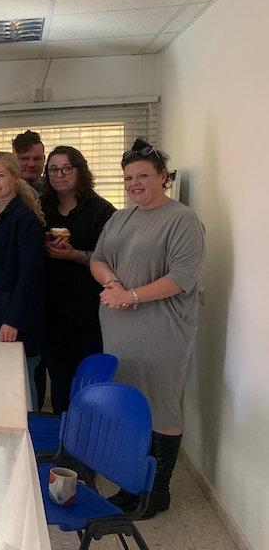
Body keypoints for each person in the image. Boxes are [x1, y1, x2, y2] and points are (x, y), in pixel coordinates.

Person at [91, 139, 205, 520]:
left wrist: (131, 296)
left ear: (163, 176)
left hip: (161, 330)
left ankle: (157, 492)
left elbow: (182, 277)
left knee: (160, 406)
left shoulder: (182, 219)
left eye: (142, 175)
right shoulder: (120, 218)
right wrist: (111, 283)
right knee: (129, 407)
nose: (134, 183)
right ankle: (131, 485)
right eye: (128, 178)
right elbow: (98, 258)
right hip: (119, 330)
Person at [40, 146, 115, 414]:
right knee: (59, 384)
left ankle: (88, 435)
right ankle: (63, 436)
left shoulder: (101, 210)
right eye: (53, 170)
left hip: (88, 314)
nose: (59, 175)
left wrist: (74, 255)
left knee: (88, 385)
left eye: (66, 168)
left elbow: (113, 259)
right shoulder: (42, 208)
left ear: (80, 171)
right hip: (51, 312)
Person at [0, 151, 46, 412]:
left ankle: (30, 432)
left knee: (21, 382)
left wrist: (12, 320)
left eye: (0, 175)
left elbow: (30, 276)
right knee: (2, 381)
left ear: (15, 177)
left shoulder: (24, 218)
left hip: (15, 313)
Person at [0, 130, 45, 212]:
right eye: (24, 159)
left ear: (44, 159)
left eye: (37, 159)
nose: (31, 164)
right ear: (14, 160)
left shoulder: (52, 189)